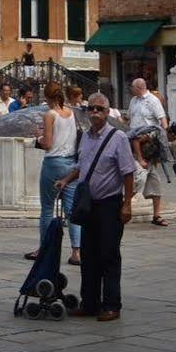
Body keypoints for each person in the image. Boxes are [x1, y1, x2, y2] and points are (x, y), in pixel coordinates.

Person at [58, 92, 138, 321]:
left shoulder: (118, 138)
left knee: (109, 254)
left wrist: (127, 204)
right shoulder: (85, 136)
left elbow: (128, 172)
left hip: (109, 204)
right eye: (91, 108)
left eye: (99, 109)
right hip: (88, 205)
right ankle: (90, 302)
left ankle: (112, 304)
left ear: (107, 112)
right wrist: (66, 180)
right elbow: (81, 165)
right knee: (89, 254)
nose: (94, 113)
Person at [29, 81, 83, 267]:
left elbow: (48, 144)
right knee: (71, 211)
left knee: (47, 208)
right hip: (71, 163)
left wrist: (37, 137)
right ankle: (77, 252)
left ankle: (44, 249)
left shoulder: (50, 114)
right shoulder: (71, 113)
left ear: (47, 97)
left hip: (54, 163)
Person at [126, 78, 174, 227]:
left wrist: (165, 138)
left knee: (148, 178)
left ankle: (155, 214)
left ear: (139, 87)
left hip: (148, 142)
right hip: (134, 141)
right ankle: (125, 205)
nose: (130, 89)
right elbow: (130, 119)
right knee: (141, 176)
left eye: (132, 86)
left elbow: (162, 119)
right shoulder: (133, 100)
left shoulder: (153, 100)